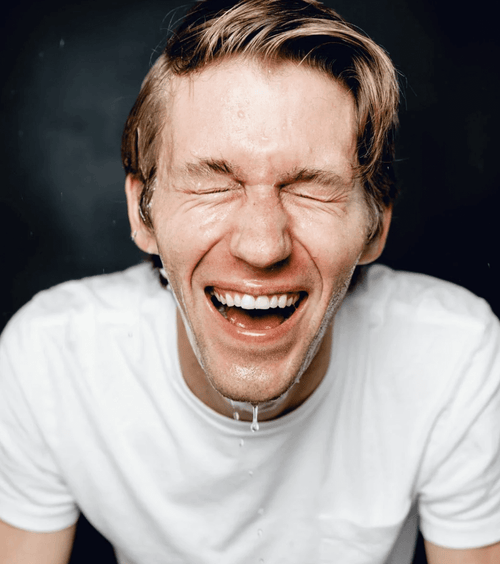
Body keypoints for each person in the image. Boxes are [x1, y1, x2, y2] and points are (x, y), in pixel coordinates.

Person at [1, 0, 499, 562]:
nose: (263, 247)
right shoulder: (49, 360)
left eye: (311, 187)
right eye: (213, 184)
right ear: (143, 214)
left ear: (375, 225)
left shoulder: (453, 354)